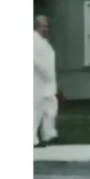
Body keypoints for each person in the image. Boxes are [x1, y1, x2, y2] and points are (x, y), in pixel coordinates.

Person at [33, 15, 59, 147]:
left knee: (51, 107)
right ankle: (32, 139)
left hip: (48, 82)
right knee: (35, 110)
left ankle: (49, 134)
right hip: (37, 81)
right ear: (37, 26)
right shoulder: (33, 40)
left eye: (47, 26)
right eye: (43, 26)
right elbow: (36, 61)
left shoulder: (44, 41)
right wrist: (47, 74)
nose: (45, 29)